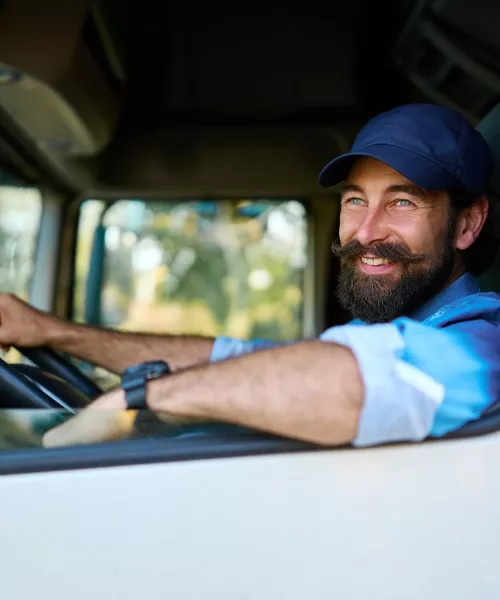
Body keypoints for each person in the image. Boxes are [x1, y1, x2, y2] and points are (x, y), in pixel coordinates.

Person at [1, 103, 499, 448]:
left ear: (468, 223)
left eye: (403, 202)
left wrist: (136, 401)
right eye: (354, 200)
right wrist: (50, 333)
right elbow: (240, 361)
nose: (365, 232)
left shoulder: (481, 341)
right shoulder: (379, 332)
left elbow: (351, 383)